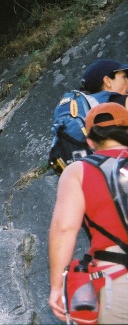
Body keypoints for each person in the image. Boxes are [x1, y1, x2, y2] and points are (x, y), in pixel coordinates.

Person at [48, 102, 128, 323]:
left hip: (117, 281)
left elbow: (64, 229)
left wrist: (57, 287)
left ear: (90, 141)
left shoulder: (78, 171)